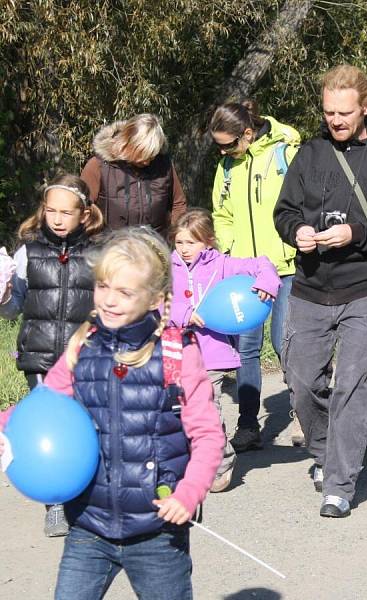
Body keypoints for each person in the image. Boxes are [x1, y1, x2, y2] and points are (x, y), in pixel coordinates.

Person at [0, 227, 224, 599]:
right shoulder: (82, 346)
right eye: (103, 286)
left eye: (124, 292)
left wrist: (188, 494)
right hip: (89, 525)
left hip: (156, 532)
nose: (109, 300)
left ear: (154, 298)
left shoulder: (176, 353)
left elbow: (208, 434)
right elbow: (39, 407)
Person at [274, 64, 367, 518]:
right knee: (301, 383)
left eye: (344, 112)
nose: (335, 120)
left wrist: (354, 234)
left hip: (364, 288)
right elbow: (284, 211)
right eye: (329, 111)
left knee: (353, 386)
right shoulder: (310, 154)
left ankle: (339, 484)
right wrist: (296, 231)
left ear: (366, 108)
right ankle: (324, 452)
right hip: (310, 287)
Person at [0, 174, 104, 537]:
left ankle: (89, 498)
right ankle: (55, 503)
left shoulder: (98, 252)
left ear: (85, 214)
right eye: (51, 211)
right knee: (51, 428)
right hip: (40, 355)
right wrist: (3, 295)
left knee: (87, 424)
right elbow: (13, 308)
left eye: (66, 212)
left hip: (86, 356)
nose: (57, 219)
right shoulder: (28, 252)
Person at [209, 101, 302, 452]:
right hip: (245, 274)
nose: (223, 151)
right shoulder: (227, 167)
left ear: (247, 134)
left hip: (287, 268)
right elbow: (222, 213)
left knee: (284, 342)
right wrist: (228, 250)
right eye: (218, 145)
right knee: (245, 348)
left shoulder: (286, 153)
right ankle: (248, 425)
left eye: (228, 144)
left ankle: (302, 413)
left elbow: (304, 203)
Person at [169, 208, 281, 492]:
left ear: (208, 241)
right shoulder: (165, 267)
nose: (184, 249)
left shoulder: (222, 265)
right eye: (179, 242)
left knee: (207, 409)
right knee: (180, 411)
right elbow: (154, 301)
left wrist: (266, 284)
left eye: (191, 243)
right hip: (174, 354)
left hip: (211, 354)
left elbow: (262, 265)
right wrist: (183, 313)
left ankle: (221, 461)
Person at [81, 114, 187, 236]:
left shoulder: (164, 165)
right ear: (127, 142)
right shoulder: (98, 166)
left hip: (156, 248)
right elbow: (82, 208)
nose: (147, 161)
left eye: (152, 155)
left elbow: (178, 204)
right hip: (109, 249)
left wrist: (177, 238)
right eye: (142, 153)